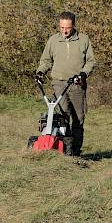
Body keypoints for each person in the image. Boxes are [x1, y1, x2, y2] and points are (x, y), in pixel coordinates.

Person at [35, 11, 96, 156]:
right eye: (61, 28)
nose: (64, 31)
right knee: (62, 118)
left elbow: (91, 61)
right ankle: (63, 151)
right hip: (59, 83)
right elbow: (45, 61)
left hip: (77, 84)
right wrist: (40, 72)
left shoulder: (83, 40)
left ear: (73, 25)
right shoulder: (53, 40)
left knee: (78, 119)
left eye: (67, 28)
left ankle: (75, 151)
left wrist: (83, 74)